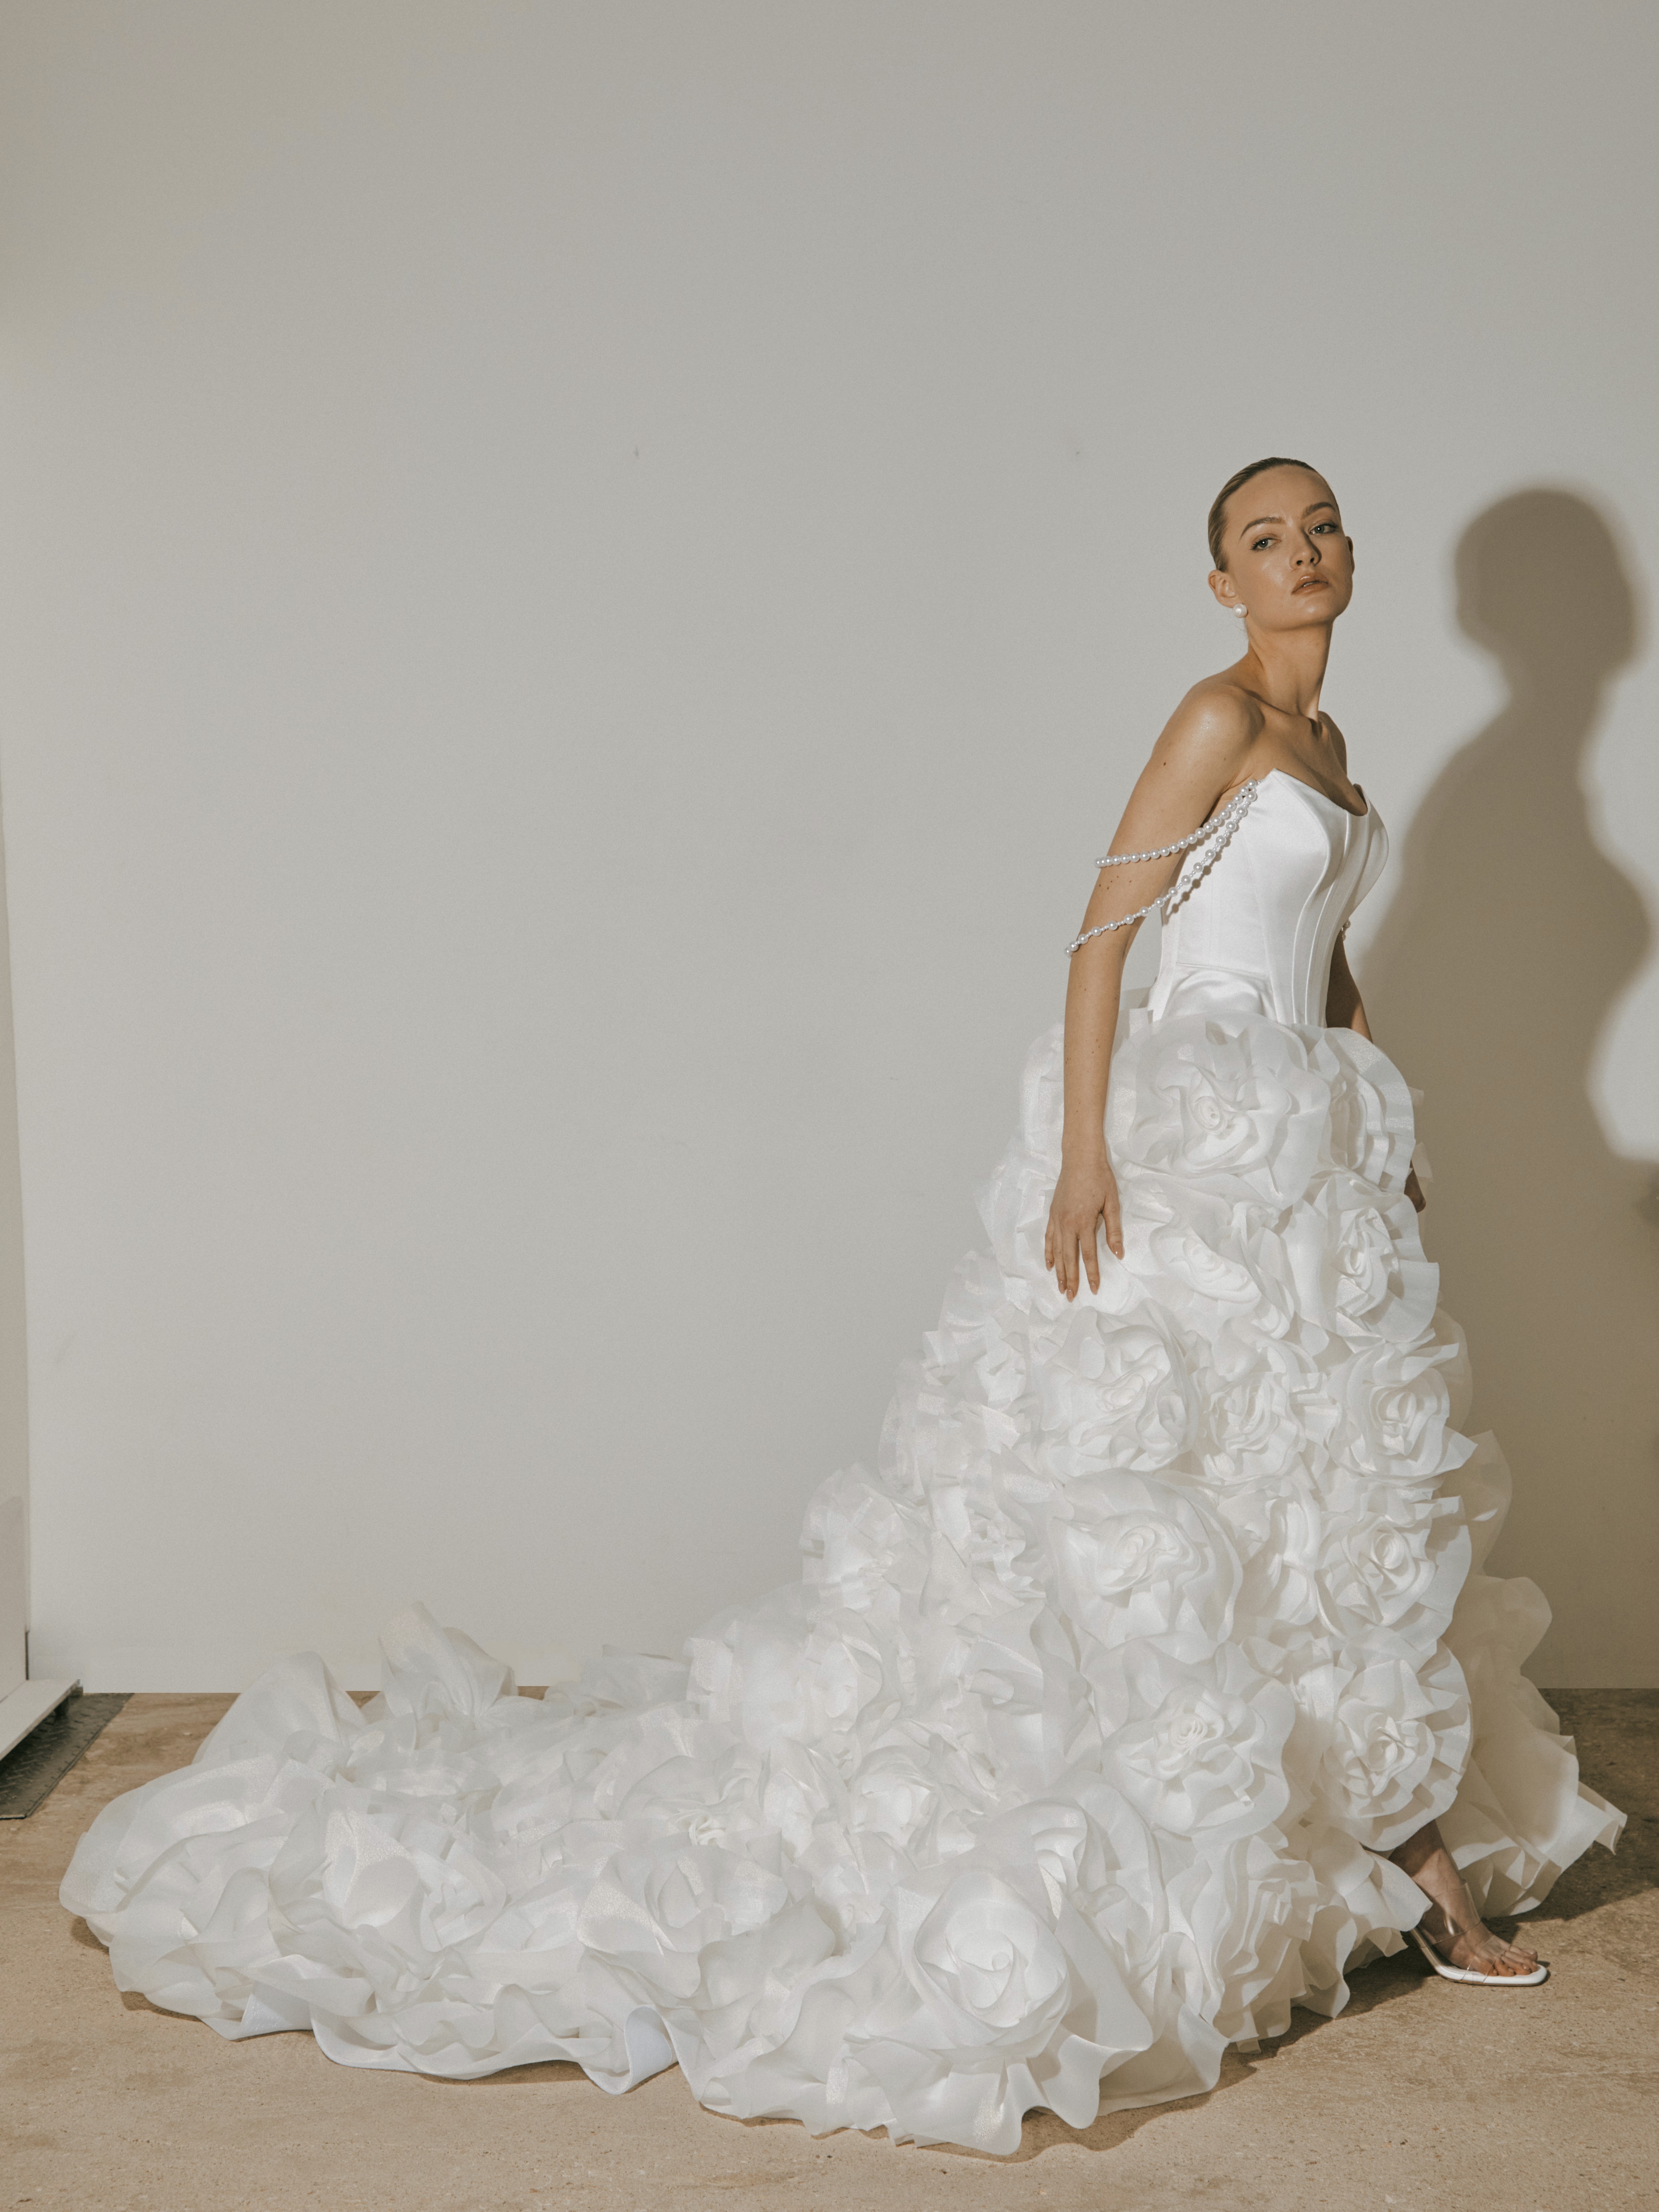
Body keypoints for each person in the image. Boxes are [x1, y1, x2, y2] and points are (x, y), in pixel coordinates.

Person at [61, 461, 1623, 2156]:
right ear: (1219, 582)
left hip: (1302, 1161)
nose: (1300, 555)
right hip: (1189, 1152)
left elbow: (1324, 955)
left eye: (1319, 530)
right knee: (1169, 1497)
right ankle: (1330, 1845)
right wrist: (1082, 1157)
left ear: (1352, 556)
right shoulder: (1215, 716)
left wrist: (1381, 1120)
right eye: (1265, 539)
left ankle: (1385, 1832)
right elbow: (1101, 941)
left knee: (1313, 1501)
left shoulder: (1327, 744)